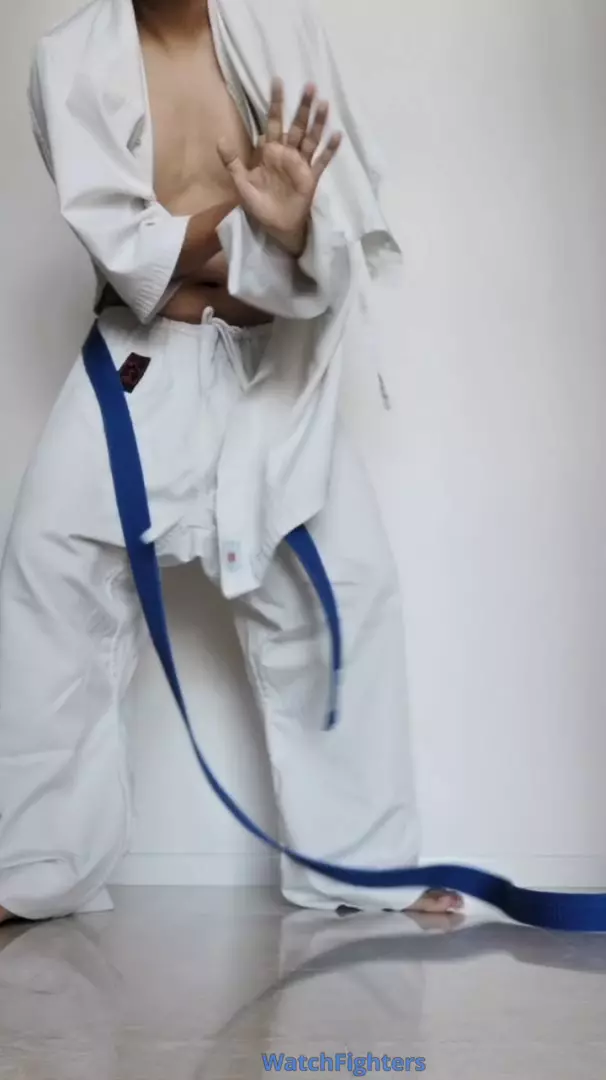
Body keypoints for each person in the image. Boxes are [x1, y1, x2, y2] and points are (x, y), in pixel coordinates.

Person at [0, 0, 463, 923]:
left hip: (270, 369)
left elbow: (330, 221)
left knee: (349, 591)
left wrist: (274, 232)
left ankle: (363, 870)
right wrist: (258, 229)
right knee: (49, 574)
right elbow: (124, 248)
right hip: (139, 365)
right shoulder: (69, 57)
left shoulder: (280, 27)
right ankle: (30, 870)